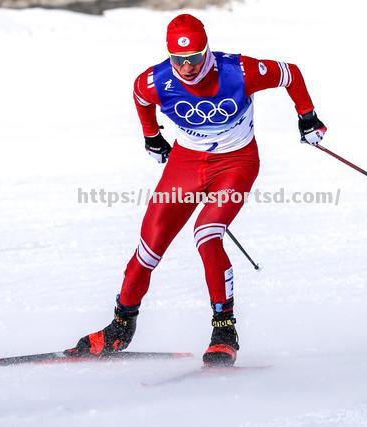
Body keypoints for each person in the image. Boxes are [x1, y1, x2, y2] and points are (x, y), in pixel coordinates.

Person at [70, 13, 326, 366]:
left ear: (207, 50)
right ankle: (120, 327)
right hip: (186, 164)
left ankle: (224, 330)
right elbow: (139, 97)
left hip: (236, 163)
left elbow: (290, 73)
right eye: (179, 59)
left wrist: (307, 116)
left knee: (207, 233)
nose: (187, 67)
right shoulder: (154, 81)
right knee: (149, 247)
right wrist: (152, 137)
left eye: (194, 58)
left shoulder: (240, 70)